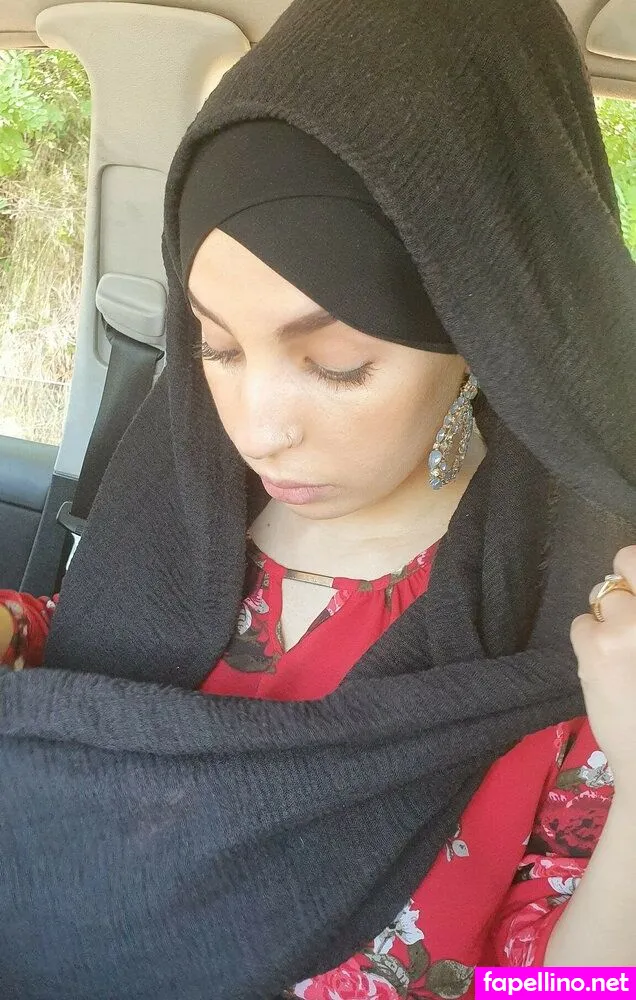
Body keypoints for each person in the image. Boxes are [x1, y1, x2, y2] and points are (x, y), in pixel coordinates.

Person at [0, 0, 635, 996]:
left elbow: (572, 987)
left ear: (478, 329)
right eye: (216, 346)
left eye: (337, 365)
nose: (258, 430)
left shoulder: (588, 616)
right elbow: (104, 660)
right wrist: (17, 628)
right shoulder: (182, 491)